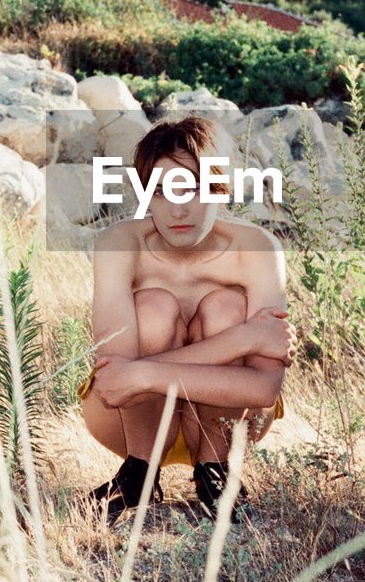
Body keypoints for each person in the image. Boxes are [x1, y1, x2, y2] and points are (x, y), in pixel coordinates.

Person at [78, 114, 296, 523]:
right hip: (126, 423)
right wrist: (246, 338)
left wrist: (143, 373)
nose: (179, 208)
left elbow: (265, 389)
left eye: (194, 187)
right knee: (155, 307)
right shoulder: (119, 245)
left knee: (224, 308)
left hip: (233, 420)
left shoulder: (256, 248)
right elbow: (114, 382)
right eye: (161, 191)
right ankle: (138, 474)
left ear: (221, 185)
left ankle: (216, 475)